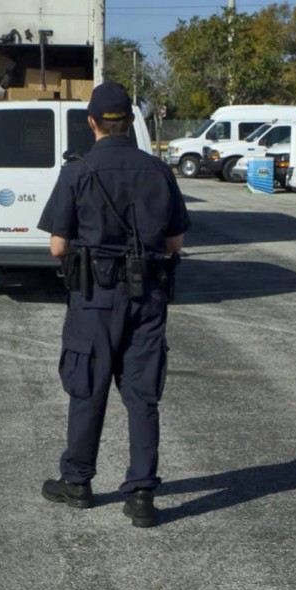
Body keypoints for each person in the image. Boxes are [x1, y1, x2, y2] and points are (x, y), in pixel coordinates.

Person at [38, 82, 189, 528]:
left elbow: (56, 246)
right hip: (149, 295)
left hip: (95, 297)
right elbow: (176, 241)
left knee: (88, 387)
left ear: (92, 122)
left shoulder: (78, 171)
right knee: (142, 395)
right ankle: (142, 494)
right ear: (129, 122)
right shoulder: (158, 171)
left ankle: (78, 483)